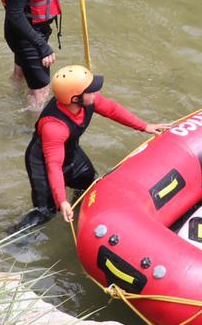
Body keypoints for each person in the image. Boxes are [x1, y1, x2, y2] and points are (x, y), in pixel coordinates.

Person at [19, 65, 169, 229]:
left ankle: (77, 216)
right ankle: (15, 237)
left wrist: (144, 126)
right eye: (90, 90)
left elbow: (112, 110)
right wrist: (62, 201)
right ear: (76, 99)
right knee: (47, 212)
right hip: (43, 164)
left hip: (70, 153)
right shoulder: (54, 127)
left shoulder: (87, 101)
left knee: (89, 185)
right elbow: (54, 166)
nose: (96, 93)